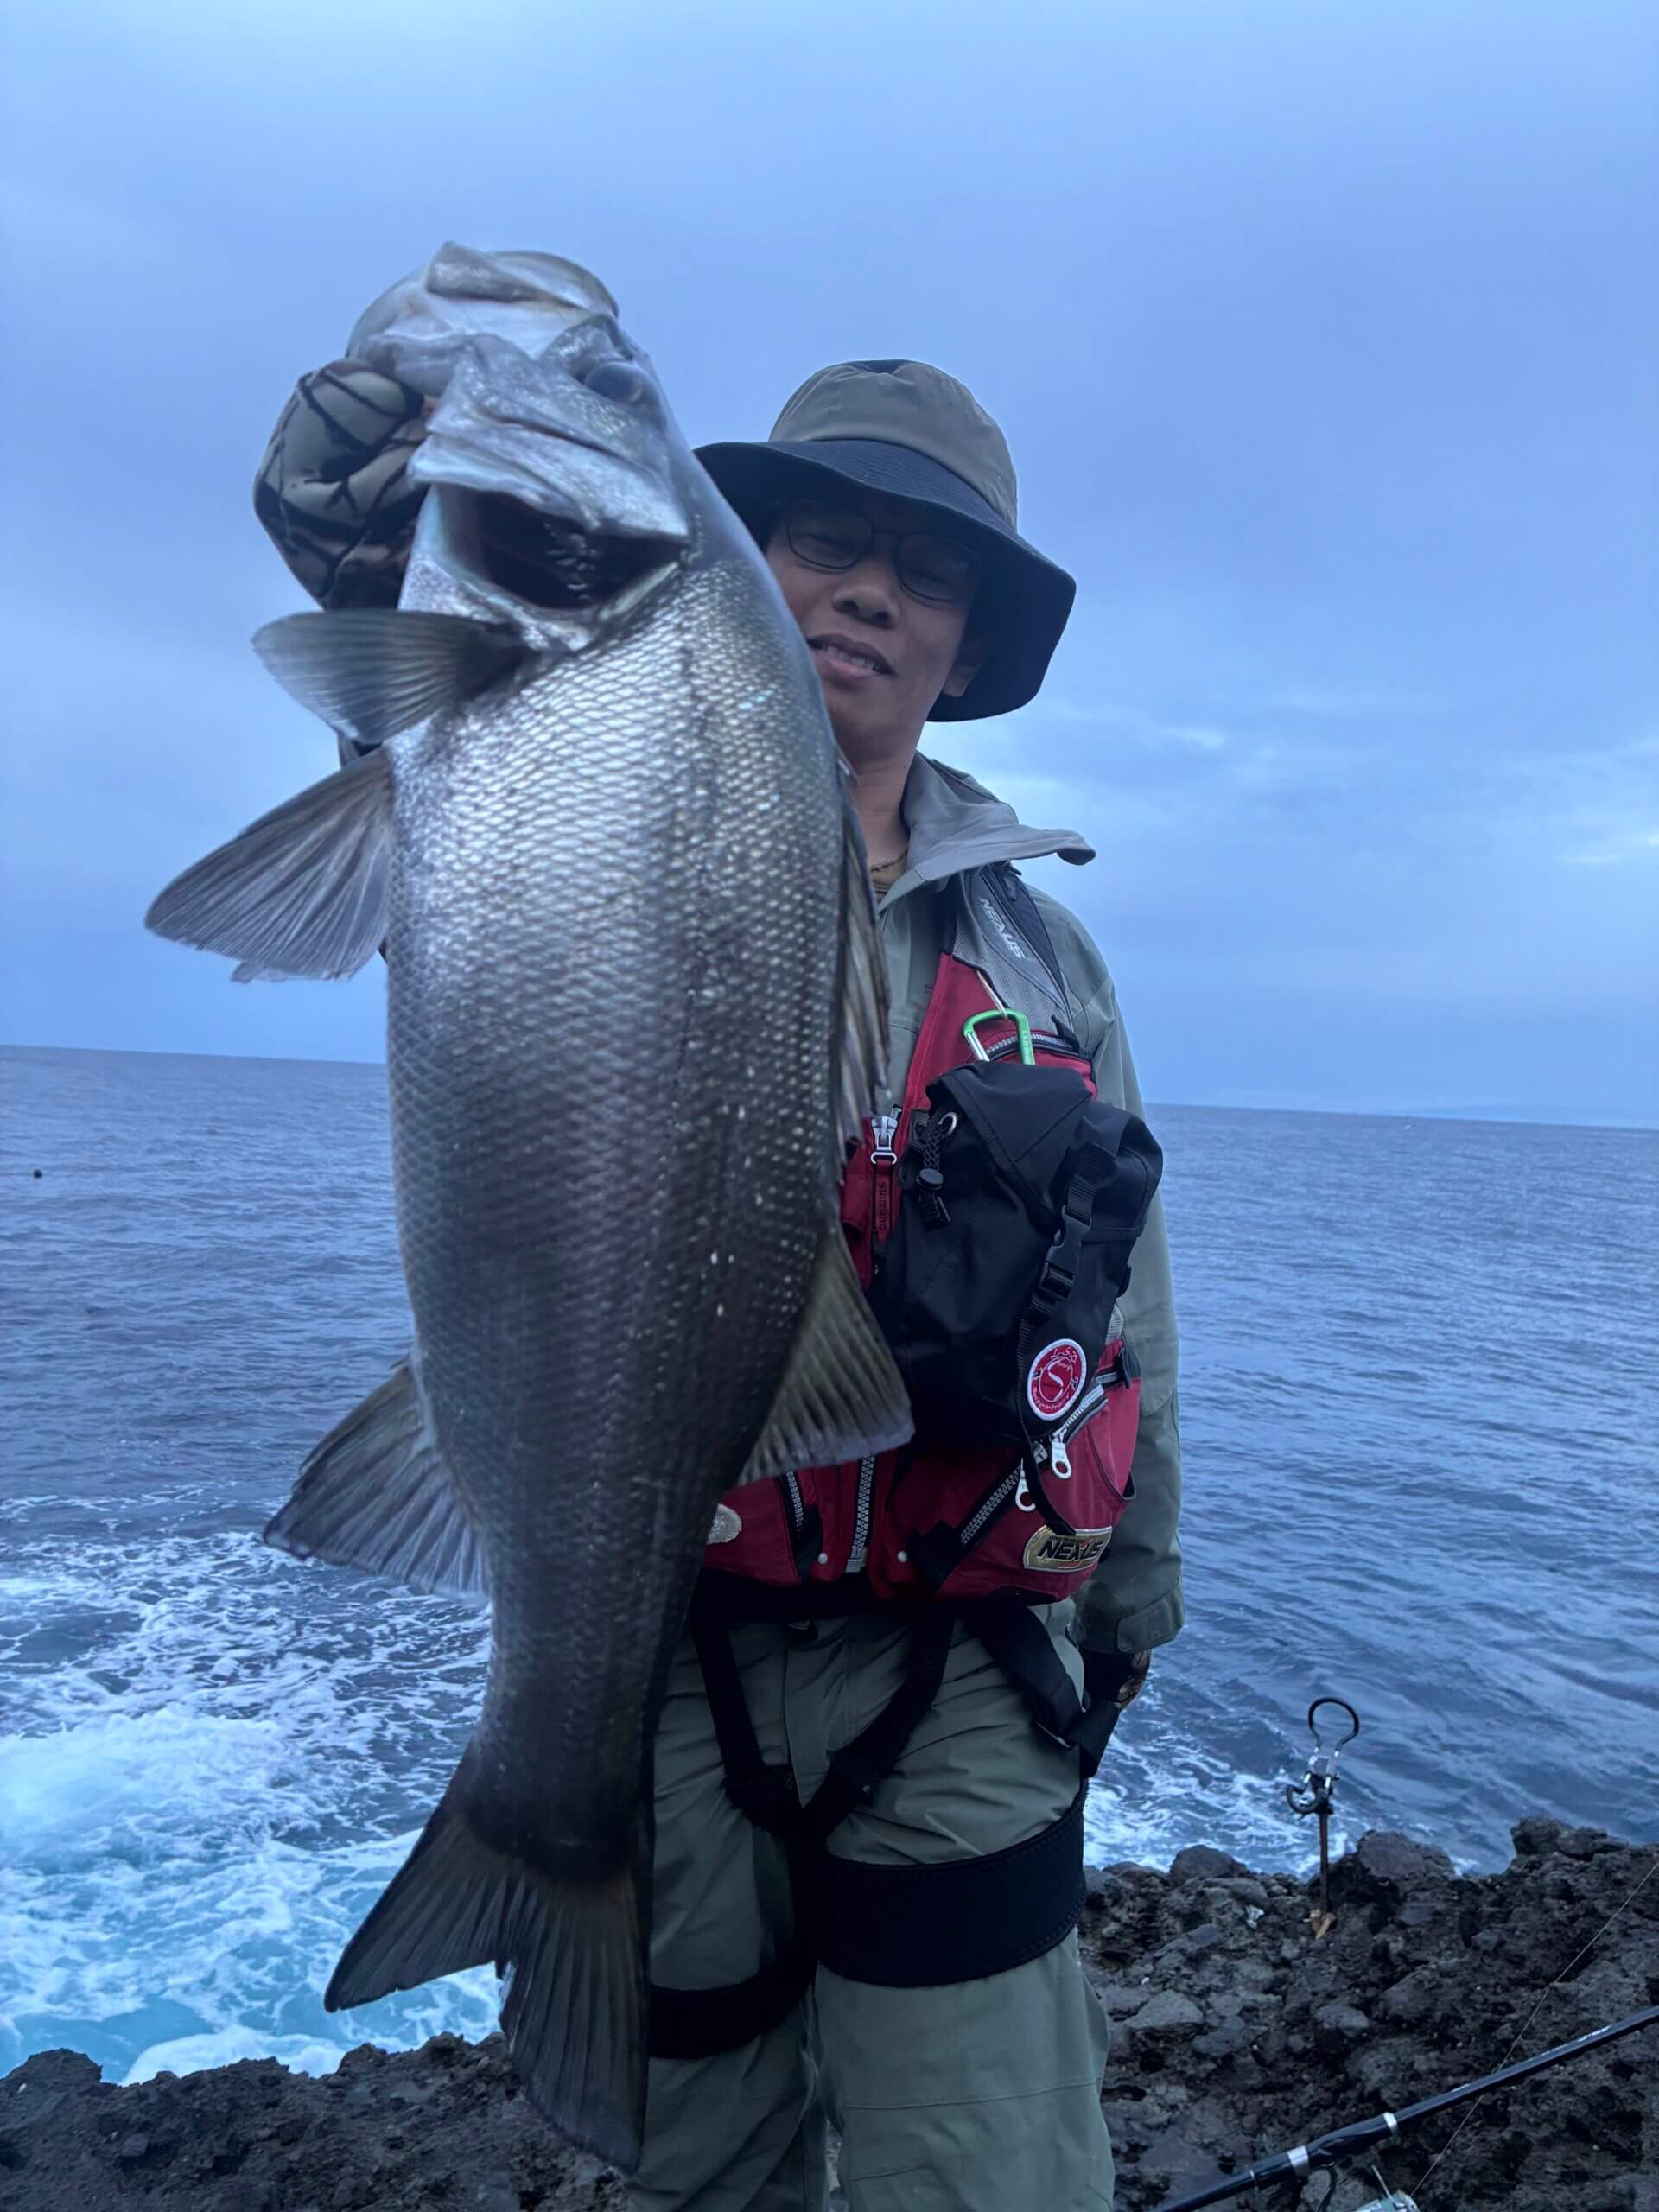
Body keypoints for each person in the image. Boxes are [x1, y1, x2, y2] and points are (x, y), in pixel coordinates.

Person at [256, 327, 1183, 2212]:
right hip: (669, 1655)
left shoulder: (1048, 959)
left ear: (971, 647)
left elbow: (1127, 1300)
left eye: (929, 571)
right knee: (705, 2169)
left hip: (960, 1670)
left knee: (994, 2174)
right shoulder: (560, 794)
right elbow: (434, 786)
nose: (870, 591)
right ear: (741, 564)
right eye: (825, 539)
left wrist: (1132, 1611)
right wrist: (361, 574)